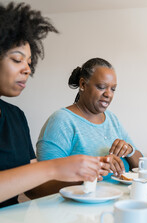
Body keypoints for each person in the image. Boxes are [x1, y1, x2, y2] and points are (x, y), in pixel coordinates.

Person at [0, 2, 110, 207]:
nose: (27, 69)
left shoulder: (15, 116)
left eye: (29, 62)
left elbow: (32, 187)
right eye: (17, 59)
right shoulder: (62, 118)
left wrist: (83, 175)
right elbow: (42, 173)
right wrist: (54, 168)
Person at [36, 58, 142, 177]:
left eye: (113, 89)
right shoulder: (62, 121)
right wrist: (95, 168)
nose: (108, 94)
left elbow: (142, 166)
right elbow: (44, 181)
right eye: (102, 87)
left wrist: (129, 150)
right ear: (83, 84)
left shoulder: (112, 119)